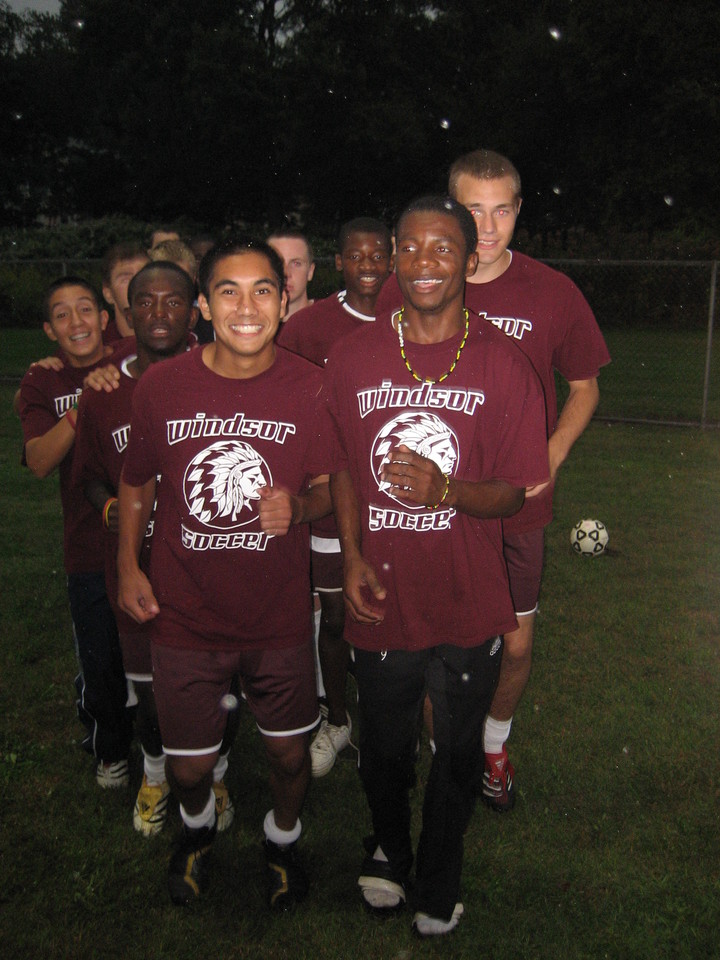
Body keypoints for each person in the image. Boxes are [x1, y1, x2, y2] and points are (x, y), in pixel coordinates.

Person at [323, 197, 549, 935]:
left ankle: (439, 874)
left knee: (454, 754)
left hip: (466, 597)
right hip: (383, 591)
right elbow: (346, 468)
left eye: (443, 249)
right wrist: (353, 553)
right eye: (411, 249)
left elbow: (514, 489)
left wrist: (447, 489)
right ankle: (388, 848)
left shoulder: (501, 362)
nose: (425, 264)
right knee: (383, 748)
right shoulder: (354, 356)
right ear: (392, 255)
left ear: (467, 260)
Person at [377, 150, 611, 811]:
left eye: (501, 209)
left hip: (516, 507)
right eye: (471, 209)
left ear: (518, 213)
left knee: (515, 643)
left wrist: (551, 456)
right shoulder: (416, 281)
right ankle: (446, 749)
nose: (487, 226)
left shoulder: (552, 292)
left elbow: (586, 386)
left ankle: (494, 743)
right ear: (449, 209)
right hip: (433, 503)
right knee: (436, 645)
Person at [117, 238, 331, 907]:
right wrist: (128, 563)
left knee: (290, 758)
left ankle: (282, 838)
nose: (247, 306)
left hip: (277, 615)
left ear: (285, 299)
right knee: (189, 767)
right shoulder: (163, 386)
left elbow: (331, 485)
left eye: (263, 289)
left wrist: (300, 506)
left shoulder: (310, 386)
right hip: (186, 612)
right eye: (229, 291)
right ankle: (197, 831)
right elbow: (137, 483)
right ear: (205, 305)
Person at [72, 262, 232, 837]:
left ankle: (217, 772)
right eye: (146, 301)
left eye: (173, 302)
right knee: (149, 692)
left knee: (217, 686)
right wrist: (118, 513)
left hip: (209, 566)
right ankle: (157, 773)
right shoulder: (106, 390)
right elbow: (90, 474)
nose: (159, 313)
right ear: (127, 312)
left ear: (194, 313)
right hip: (138, 569)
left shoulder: (219, 375)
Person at [278, 217, 393, 777]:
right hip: (330, 493)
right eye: (356, 255)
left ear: (392, 259)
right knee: (335, 613)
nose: (368, 265)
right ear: (339, 262)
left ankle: (386, 721)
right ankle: (338, 717)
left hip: (396, 494)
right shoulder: (312, 326)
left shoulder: (411, 316)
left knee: (394, 612)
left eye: (378, 255)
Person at [17, 277, 133, 788]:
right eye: (62, 315)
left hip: (152, 536)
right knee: (102, 657)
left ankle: (165, 741)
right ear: (48, 330)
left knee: (154, 650)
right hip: (89, 543)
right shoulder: (42, 382)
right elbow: (39, 460)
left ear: (105, 316)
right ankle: (110, 746)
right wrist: (84, 405)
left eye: (85, 309)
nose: (77, 322)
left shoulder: (133, 356)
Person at [101, 242, 151, 342]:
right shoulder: (98, 348)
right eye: (126, 279)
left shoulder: (182, 341)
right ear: (108, 294)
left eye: (145, 276)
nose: (138, 284)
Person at [267, 229, 315, 317]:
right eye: (277, 263)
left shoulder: (330, 319)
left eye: (296, 264)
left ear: (310, 271)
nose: (286, 273)